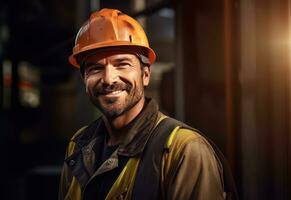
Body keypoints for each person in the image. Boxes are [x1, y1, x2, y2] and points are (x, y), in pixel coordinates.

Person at [59, 8, 236, 200]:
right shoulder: (79, 144)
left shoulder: (184, 150)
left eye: (122, 64)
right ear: (85, 79)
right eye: (95, 68)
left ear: (145, 75)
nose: (109, 79)